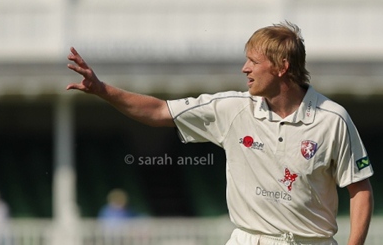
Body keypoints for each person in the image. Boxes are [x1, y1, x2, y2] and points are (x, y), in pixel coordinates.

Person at [65, 21, 374, 245]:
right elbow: (160, 111)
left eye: (253, 61)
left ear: (282, 67)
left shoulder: (333, 120)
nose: (244, 68)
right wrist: (102, 90)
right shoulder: (233, 108)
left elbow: (360, 191)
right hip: (248, 240)